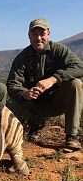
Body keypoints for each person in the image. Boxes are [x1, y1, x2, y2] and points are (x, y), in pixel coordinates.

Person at [7, 18, 83, 150]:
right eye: (34, 34)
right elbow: (12, 85)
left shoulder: (59, 50)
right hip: (33, 105)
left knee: (75, 84)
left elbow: (79, 67)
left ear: (48, 33)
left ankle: (72, 136)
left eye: (42, 33)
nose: (38, 38)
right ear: (29, 36)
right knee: (9, 104)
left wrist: (53, 79)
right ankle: (33, 128)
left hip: (57, 102)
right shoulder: (22, 58)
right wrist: (25, 93)